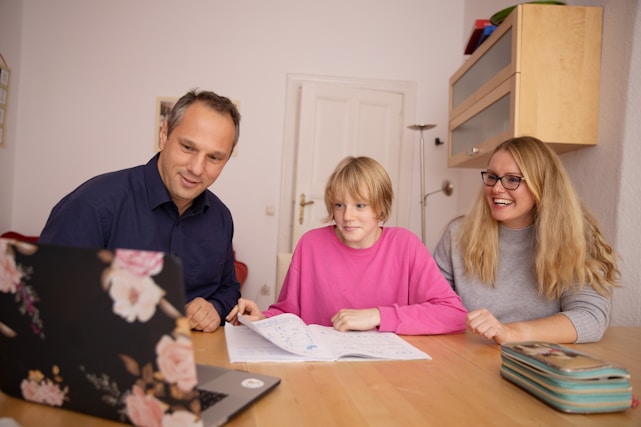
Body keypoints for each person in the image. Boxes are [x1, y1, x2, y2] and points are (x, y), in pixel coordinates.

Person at [39, 89, 242, 332]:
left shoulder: (221, 217)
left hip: (198, 358)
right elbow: (45, 296)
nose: (197, 168)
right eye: (188, 147)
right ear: (164, 134)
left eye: (214, 158)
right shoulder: (93, 203)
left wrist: (215, 307)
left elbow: (229, 288)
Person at [227, 156, 467, 335]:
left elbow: (454, 314)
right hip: (321, 365)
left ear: (381, 208)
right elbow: (288, 313)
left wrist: (378, 315)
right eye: (339, 205)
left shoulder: (405, 245)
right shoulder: (311, 244)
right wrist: (261, 318)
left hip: (387, 371)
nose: (347, 216)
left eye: (360, 205)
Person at [433, 136, 620, 344]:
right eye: (492, 177)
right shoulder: (458, 234)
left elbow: (590, 318)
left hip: (536, 363)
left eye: (513, 179)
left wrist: (509, 333)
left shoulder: (575, 240)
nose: (496, 188)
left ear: (542, 186)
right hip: (468, 357)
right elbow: (432, 302)